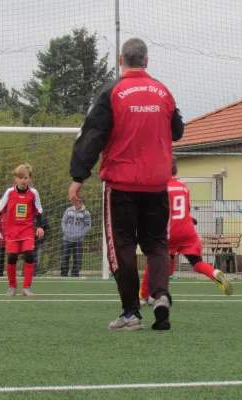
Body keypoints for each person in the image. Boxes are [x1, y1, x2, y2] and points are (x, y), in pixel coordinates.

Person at [69, 37, 184, 331]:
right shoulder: (163, 92)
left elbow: (92, 134)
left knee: (123, 246)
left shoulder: (112, 92)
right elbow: (178, 131)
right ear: (146, 61)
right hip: (157, 184)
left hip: (121, 184)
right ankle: (159, 295)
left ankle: (131, 313)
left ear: (121, 61)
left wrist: (78, 177)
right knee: (157, 244)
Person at [139, 157, 233, 304]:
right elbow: (185, 209)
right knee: (196, 262)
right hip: (187, 230)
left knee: (156, 259)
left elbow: (157, 211)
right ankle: (213, 273)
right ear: (176, 170)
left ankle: (146, 296)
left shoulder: (160, 188)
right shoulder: (184, 187)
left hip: (169, 231)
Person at [0, 163, 44, 296]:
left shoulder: (34, 193)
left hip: (27, 230)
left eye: (26, 177)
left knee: (29, 254)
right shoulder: (10, 192)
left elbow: (39, 211)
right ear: (15, 179)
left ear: (30, 179)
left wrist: (40, 226)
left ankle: (26, 288)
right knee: (12, 257)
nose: (24, 180)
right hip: (12, 231)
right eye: (21, 177)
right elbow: (0, 208)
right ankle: (12, 287)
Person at [61, 199, 92, 277]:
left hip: (78, 240)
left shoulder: (86, 213)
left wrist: (81, 233)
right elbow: (63, 221)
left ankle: (75, 274)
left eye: (79, 202)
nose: (77, 203)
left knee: (77, 259)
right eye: (76, 202)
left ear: (82, 203)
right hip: (66, 239)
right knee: (65, 257)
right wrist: (65, 232)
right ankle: (63, 274)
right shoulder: (68, 210)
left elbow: (88, 225)